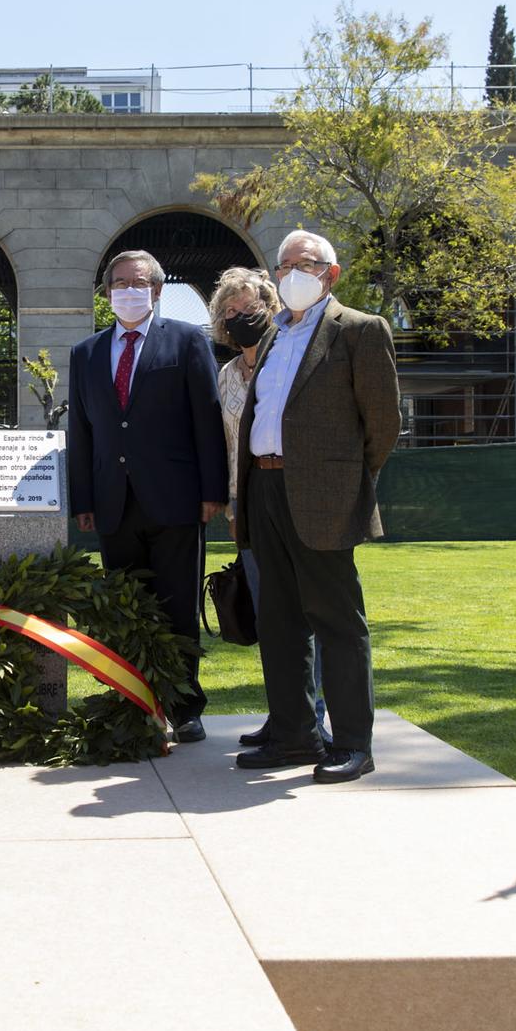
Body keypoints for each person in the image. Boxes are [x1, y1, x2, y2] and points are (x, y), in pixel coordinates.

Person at [232, 229, 401, 783]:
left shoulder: (359, 330)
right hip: (265, 489)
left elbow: (383, 423)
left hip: (323, 495)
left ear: (331, 273)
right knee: (278, 621)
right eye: (282, 266)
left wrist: (347, 479)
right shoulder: (275, 335)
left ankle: (352, 742)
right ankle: (293, 736)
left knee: (337, 621)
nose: (289, 275)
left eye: (303, 264)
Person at [66, 249, 228, 743]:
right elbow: (82, 431)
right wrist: (83, 500)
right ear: (107, 291)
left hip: (176, 498)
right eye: (118, 282)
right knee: (125, 606)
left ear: (157, 290)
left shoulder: (186, 341)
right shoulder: (86, 352)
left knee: (177, 605)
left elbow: (207, 418)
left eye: (137, 282)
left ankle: (184, 706)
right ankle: (131, 699)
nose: (127, 290)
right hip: (114, 502)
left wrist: (212, 489)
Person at [208, 268, 332, 752]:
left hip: (299, 499)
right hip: (250, 505)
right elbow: (228, 441)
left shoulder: (289, 357)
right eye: (230, 312)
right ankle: (284, 716)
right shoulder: (226, 375)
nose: (240, 318)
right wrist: (232, 504)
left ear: (270, 304)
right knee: (273, 619)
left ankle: (314, 718)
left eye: (248, 307)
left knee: (312, 614)